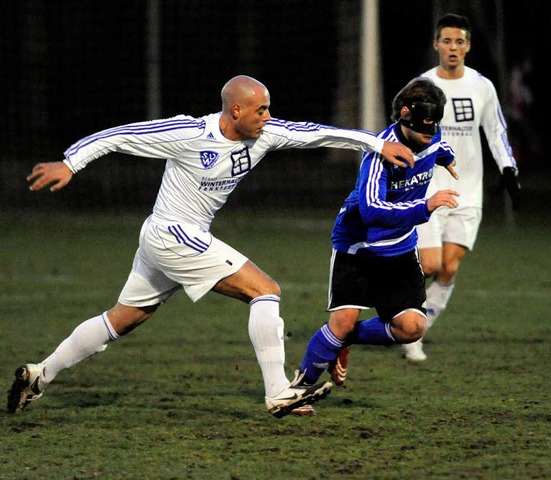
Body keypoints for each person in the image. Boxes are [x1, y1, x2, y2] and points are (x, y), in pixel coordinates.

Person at [7, 74, 417, 418]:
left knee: (123, 318)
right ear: (235, 111)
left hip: (167, 238)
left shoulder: (265, 134)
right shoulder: (189, 132)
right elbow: (120, 136)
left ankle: (40, 374)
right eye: (260, 110)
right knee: (266, 290)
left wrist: (378, 144)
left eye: (269, 108)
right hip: (173, 233)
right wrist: (71, 162)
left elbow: (316, 134)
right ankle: (278, 392)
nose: (268, 117)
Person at [291, 77, 460, 393]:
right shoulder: (379, 155)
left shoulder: (431, 137)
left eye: (435, 126)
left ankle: (346, 339)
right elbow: (371, 211)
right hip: (359, 247)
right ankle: (300, 389)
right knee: (340, 322)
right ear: (405, 115)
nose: (431, 133)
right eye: (425, 126)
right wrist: (425, 207)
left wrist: (448, 159)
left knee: (412, 327)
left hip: (399, 250)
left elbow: (440, 146)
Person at [401, 13, 521, 361]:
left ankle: (413, 335)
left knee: (450, 267)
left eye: (459, 42)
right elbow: (400, 132)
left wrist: (508, 169)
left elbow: (496, 131)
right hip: (426, 188)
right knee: (431, 263)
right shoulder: (420, 86)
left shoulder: (481, 86)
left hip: (468, 190)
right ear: (436, 45)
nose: (453, 48)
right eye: (447, 41)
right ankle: (400, 310)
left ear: (468, 46)